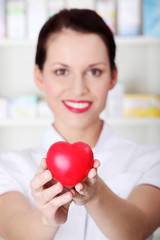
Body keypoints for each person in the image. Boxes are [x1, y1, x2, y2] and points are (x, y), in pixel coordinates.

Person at [0, 8, 160, 240]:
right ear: (39, 76)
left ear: (113, 77)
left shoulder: (153, 161)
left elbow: (137, 229)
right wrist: (46, 218)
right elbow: (12, 230)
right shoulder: (6, 167)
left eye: (94, 71)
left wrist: (96, 195)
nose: (78, 89)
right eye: (61, 71)